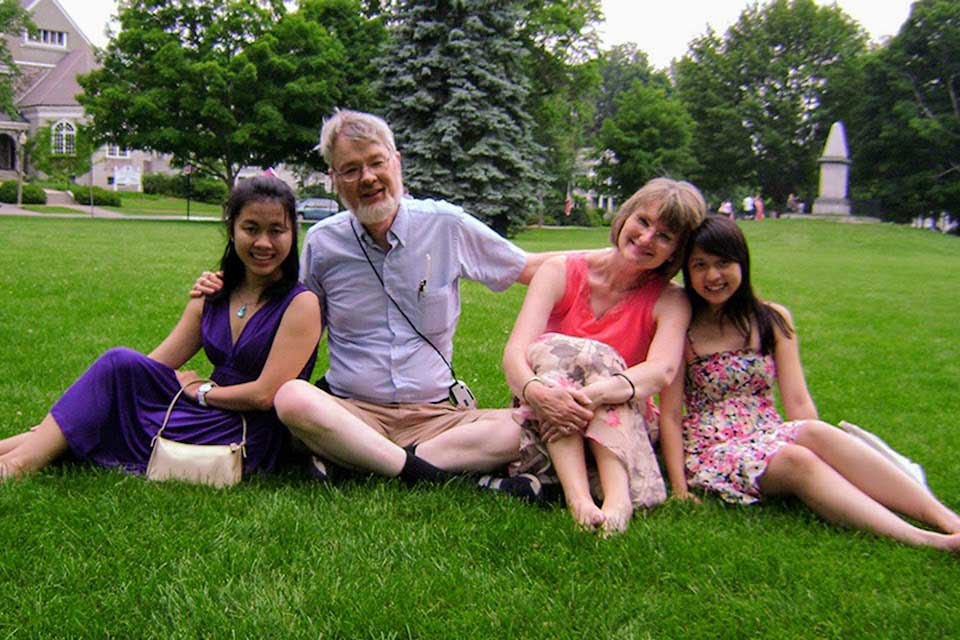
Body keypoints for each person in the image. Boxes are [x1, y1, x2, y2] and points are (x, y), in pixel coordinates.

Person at [193, 109, 556, 489]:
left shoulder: (446, 226)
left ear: (396, 163)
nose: (366, 178)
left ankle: (357, 459)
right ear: (334, 180)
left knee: (528, 426)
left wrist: (618, 258)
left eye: (376, 162)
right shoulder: (323, 242)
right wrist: (224, 286)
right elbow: (280, 303)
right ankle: (429, 471)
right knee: (293, 400)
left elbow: (529, 268)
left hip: (436, 415)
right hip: (352, 409)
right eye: (350, 169)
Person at [659, 215, 960, 551]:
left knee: (818, 433)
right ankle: (928, 541)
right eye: (700, 265)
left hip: (766, 430)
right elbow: (670, 414)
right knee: (798, 461)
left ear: (742, 263)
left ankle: (948, 520)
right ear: (688, 270)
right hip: (713, 447)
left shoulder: (771, 319)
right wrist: (680, 488)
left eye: (723, 263)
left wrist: (824, 451)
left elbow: (798, 402)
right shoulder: (682, 326)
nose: (712, 276)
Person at [0, 176, 321, 480]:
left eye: (276, 230)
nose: (263, 242)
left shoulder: (301, 303)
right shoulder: (214, 294)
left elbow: (265, 396)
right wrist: (100, 400)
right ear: (232, 230)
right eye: (251, 228)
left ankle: (17, 465)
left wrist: (203, 392)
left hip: (246, 430)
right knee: (119, 368)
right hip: (203, 411)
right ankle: (30, 443)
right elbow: (151, 367)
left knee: (110, 396)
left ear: (292, 233)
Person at [499, 178, 706, 533]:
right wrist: (537, 392)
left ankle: (616, 500)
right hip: (547, 403)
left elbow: (661, 370)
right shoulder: (559, 271)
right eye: (643, 221)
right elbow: (515, 353)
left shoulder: (671, 300)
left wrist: (592, 393)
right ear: (625, 217)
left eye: (664, 236)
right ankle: (580, 499)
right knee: (557, 351)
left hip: (618, 414)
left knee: (598, 361)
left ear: (676, 251)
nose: (646, 238)